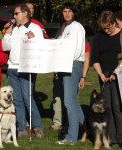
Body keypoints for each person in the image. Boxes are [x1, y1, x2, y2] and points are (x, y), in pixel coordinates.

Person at [2, 4, 44, 138]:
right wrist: (7, 34)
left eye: (16, 13)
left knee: (28, 98)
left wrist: (33, 39)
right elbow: (5, 47)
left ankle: (37, 127)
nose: (13, 16)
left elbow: (41, 46)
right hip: (13, 68)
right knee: (17, 100)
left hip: (26, 68)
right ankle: (21, 128)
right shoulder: (14, 29)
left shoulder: (35, 28)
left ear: (25, 13)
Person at [55, 2, 85, 145]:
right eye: (64, 11)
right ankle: (85, 129)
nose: (67, 13)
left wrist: (63, 62)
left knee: (69, 102)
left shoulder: (77, 27)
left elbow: (78, 50)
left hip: (72, 65)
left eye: (69, 11)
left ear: (74, 13)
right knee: (73, 101)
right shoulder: (64, 28)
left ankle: (71, 137)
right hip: (64, 65)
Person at [91, 10, 122, 145]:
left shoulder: (121, 35)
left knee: (118, 107)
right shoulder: (98, 36)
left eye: (108, 27)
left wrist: (116, 71)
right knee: (107, 107)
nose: (106, 30)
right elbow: (95, 58)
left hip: (119, 74)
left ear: (114, 22)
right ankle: (110, 138)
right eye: (104, 28)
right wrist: (101, 74)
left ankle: (121, 137)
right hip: (104, 75)